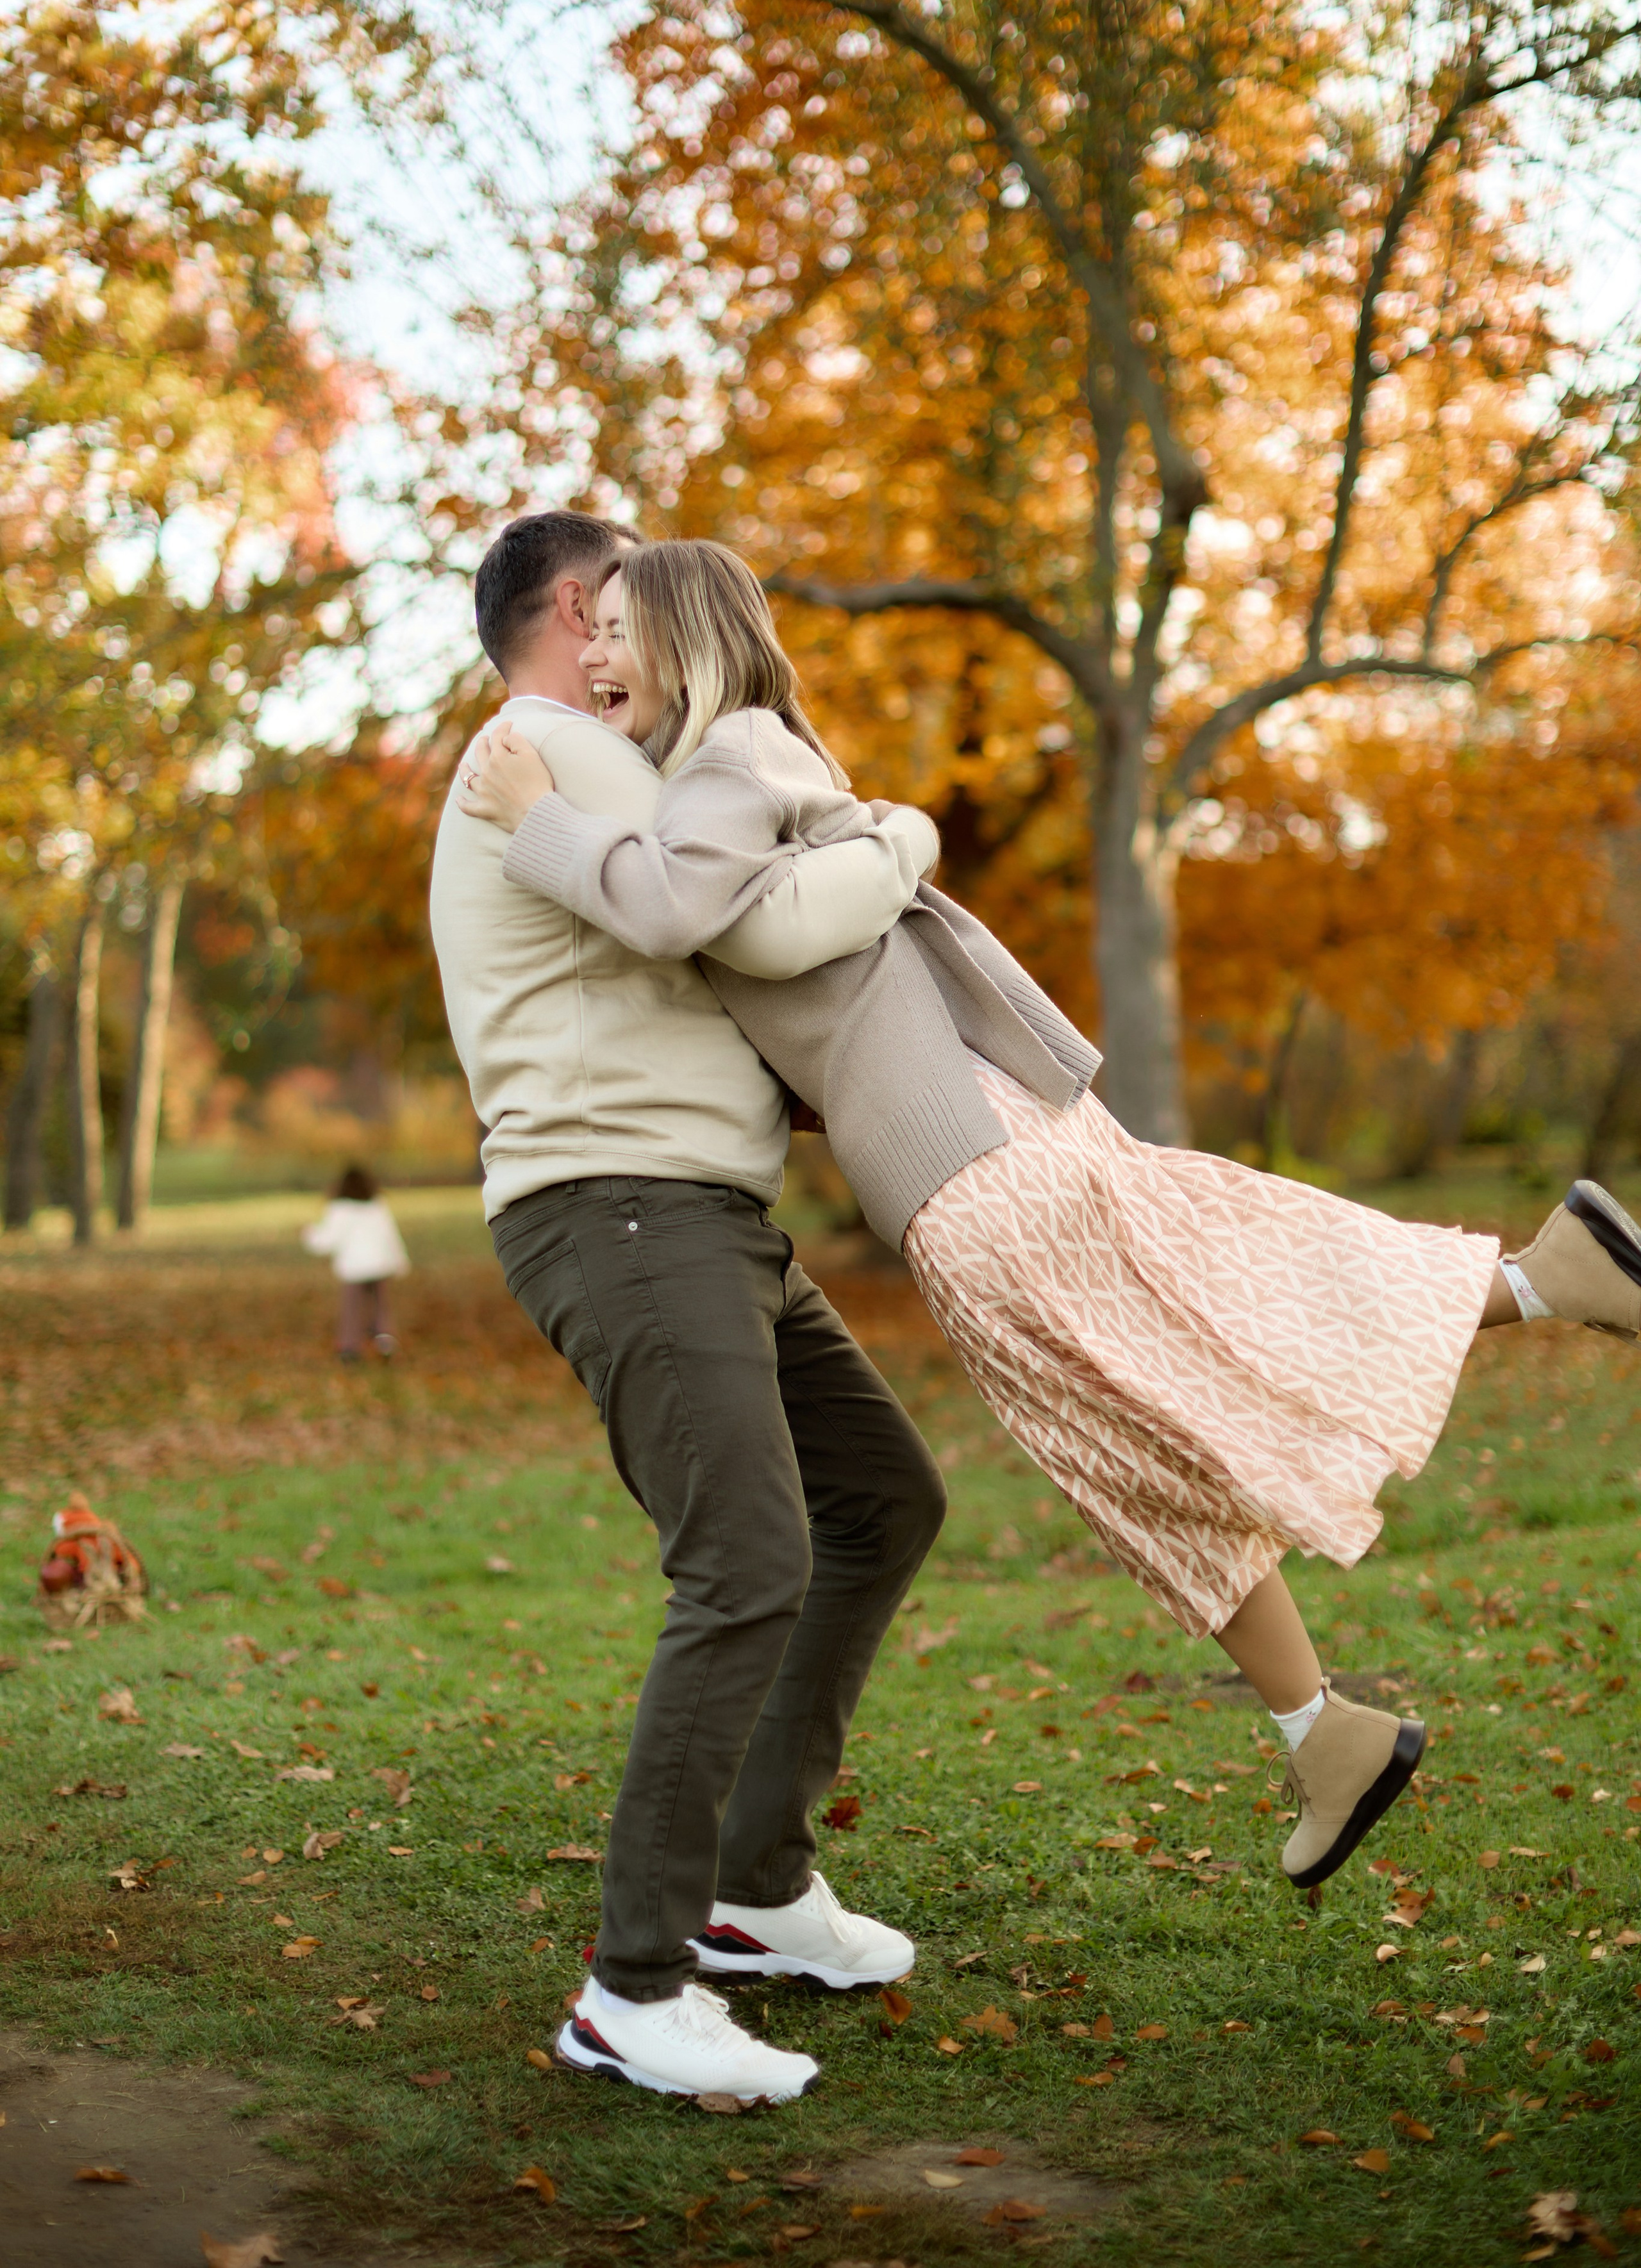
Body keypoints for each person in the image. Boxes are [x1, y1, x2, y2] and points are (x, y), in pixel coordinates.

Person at [461, 534, 1641, 1898]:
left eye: (617, 628)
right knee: (1162, 1404)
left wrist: (537, 815)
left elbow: (670, 912)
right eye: (585, 631)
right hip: (986, 1136)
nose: (595, 654)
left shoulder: (722, 768)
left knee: (1144, 1416)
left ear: (688, 633)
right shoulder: (768, 757)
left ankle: (1539, 1295)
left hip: (961, 1174)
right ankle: (1328, 1730)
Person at [429, 509, 950, 2106]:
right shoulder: (550, 751)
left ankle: (755, 1886)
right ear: (585, 606)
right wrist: (903, 831)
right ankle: (632, 1986)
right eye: (624, 604)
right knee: (745, 1559)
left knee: (878, 1497)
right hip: (623, 1208)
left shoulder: (581, 764)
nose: (624, 655)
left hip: (694, 1210)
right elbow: (761, 910)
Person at [302, 1165, 409, 1361]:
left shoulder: (339, 1210)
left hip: (354, 1268)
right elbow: (391, 1236)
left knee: (352, 1308)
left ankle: (350, 1347)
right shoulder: (378, 1206)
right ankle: (385, 1342)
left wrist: (309, 1235)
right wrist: (401, 1261)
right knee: (380, 1307)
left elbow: (327, 1241)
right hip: (380, 1265)